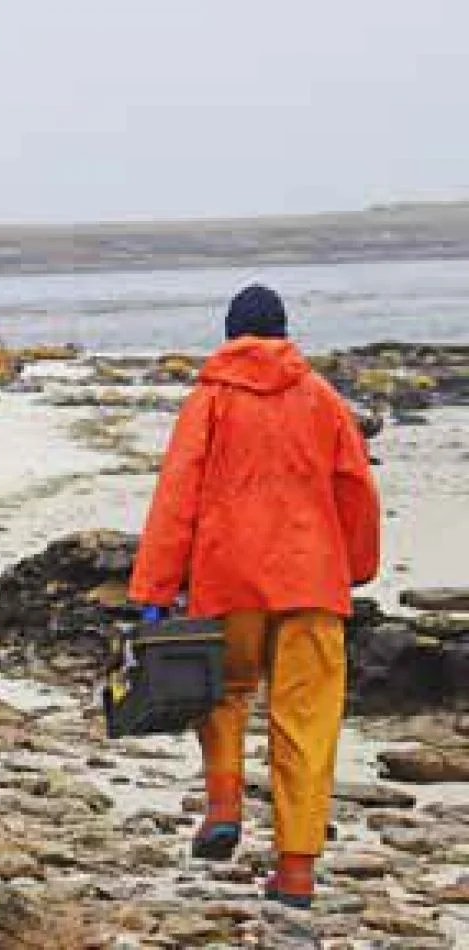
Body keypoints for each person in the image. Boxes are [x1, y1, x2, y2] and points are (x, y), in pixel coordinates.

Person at [128, 284, 380, 910]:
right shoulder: (322, 399)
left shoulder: (209, 402)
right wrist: (356, 567)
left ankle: (224, 804)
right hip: (313, 581)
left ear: (230, 335)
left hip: (228, 576)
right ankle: (295, 870)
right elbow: (357, 489)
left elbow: (177, 494)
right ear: (284, 333)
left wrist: (156, 589)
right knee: (308, 719)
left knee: (223, 691)